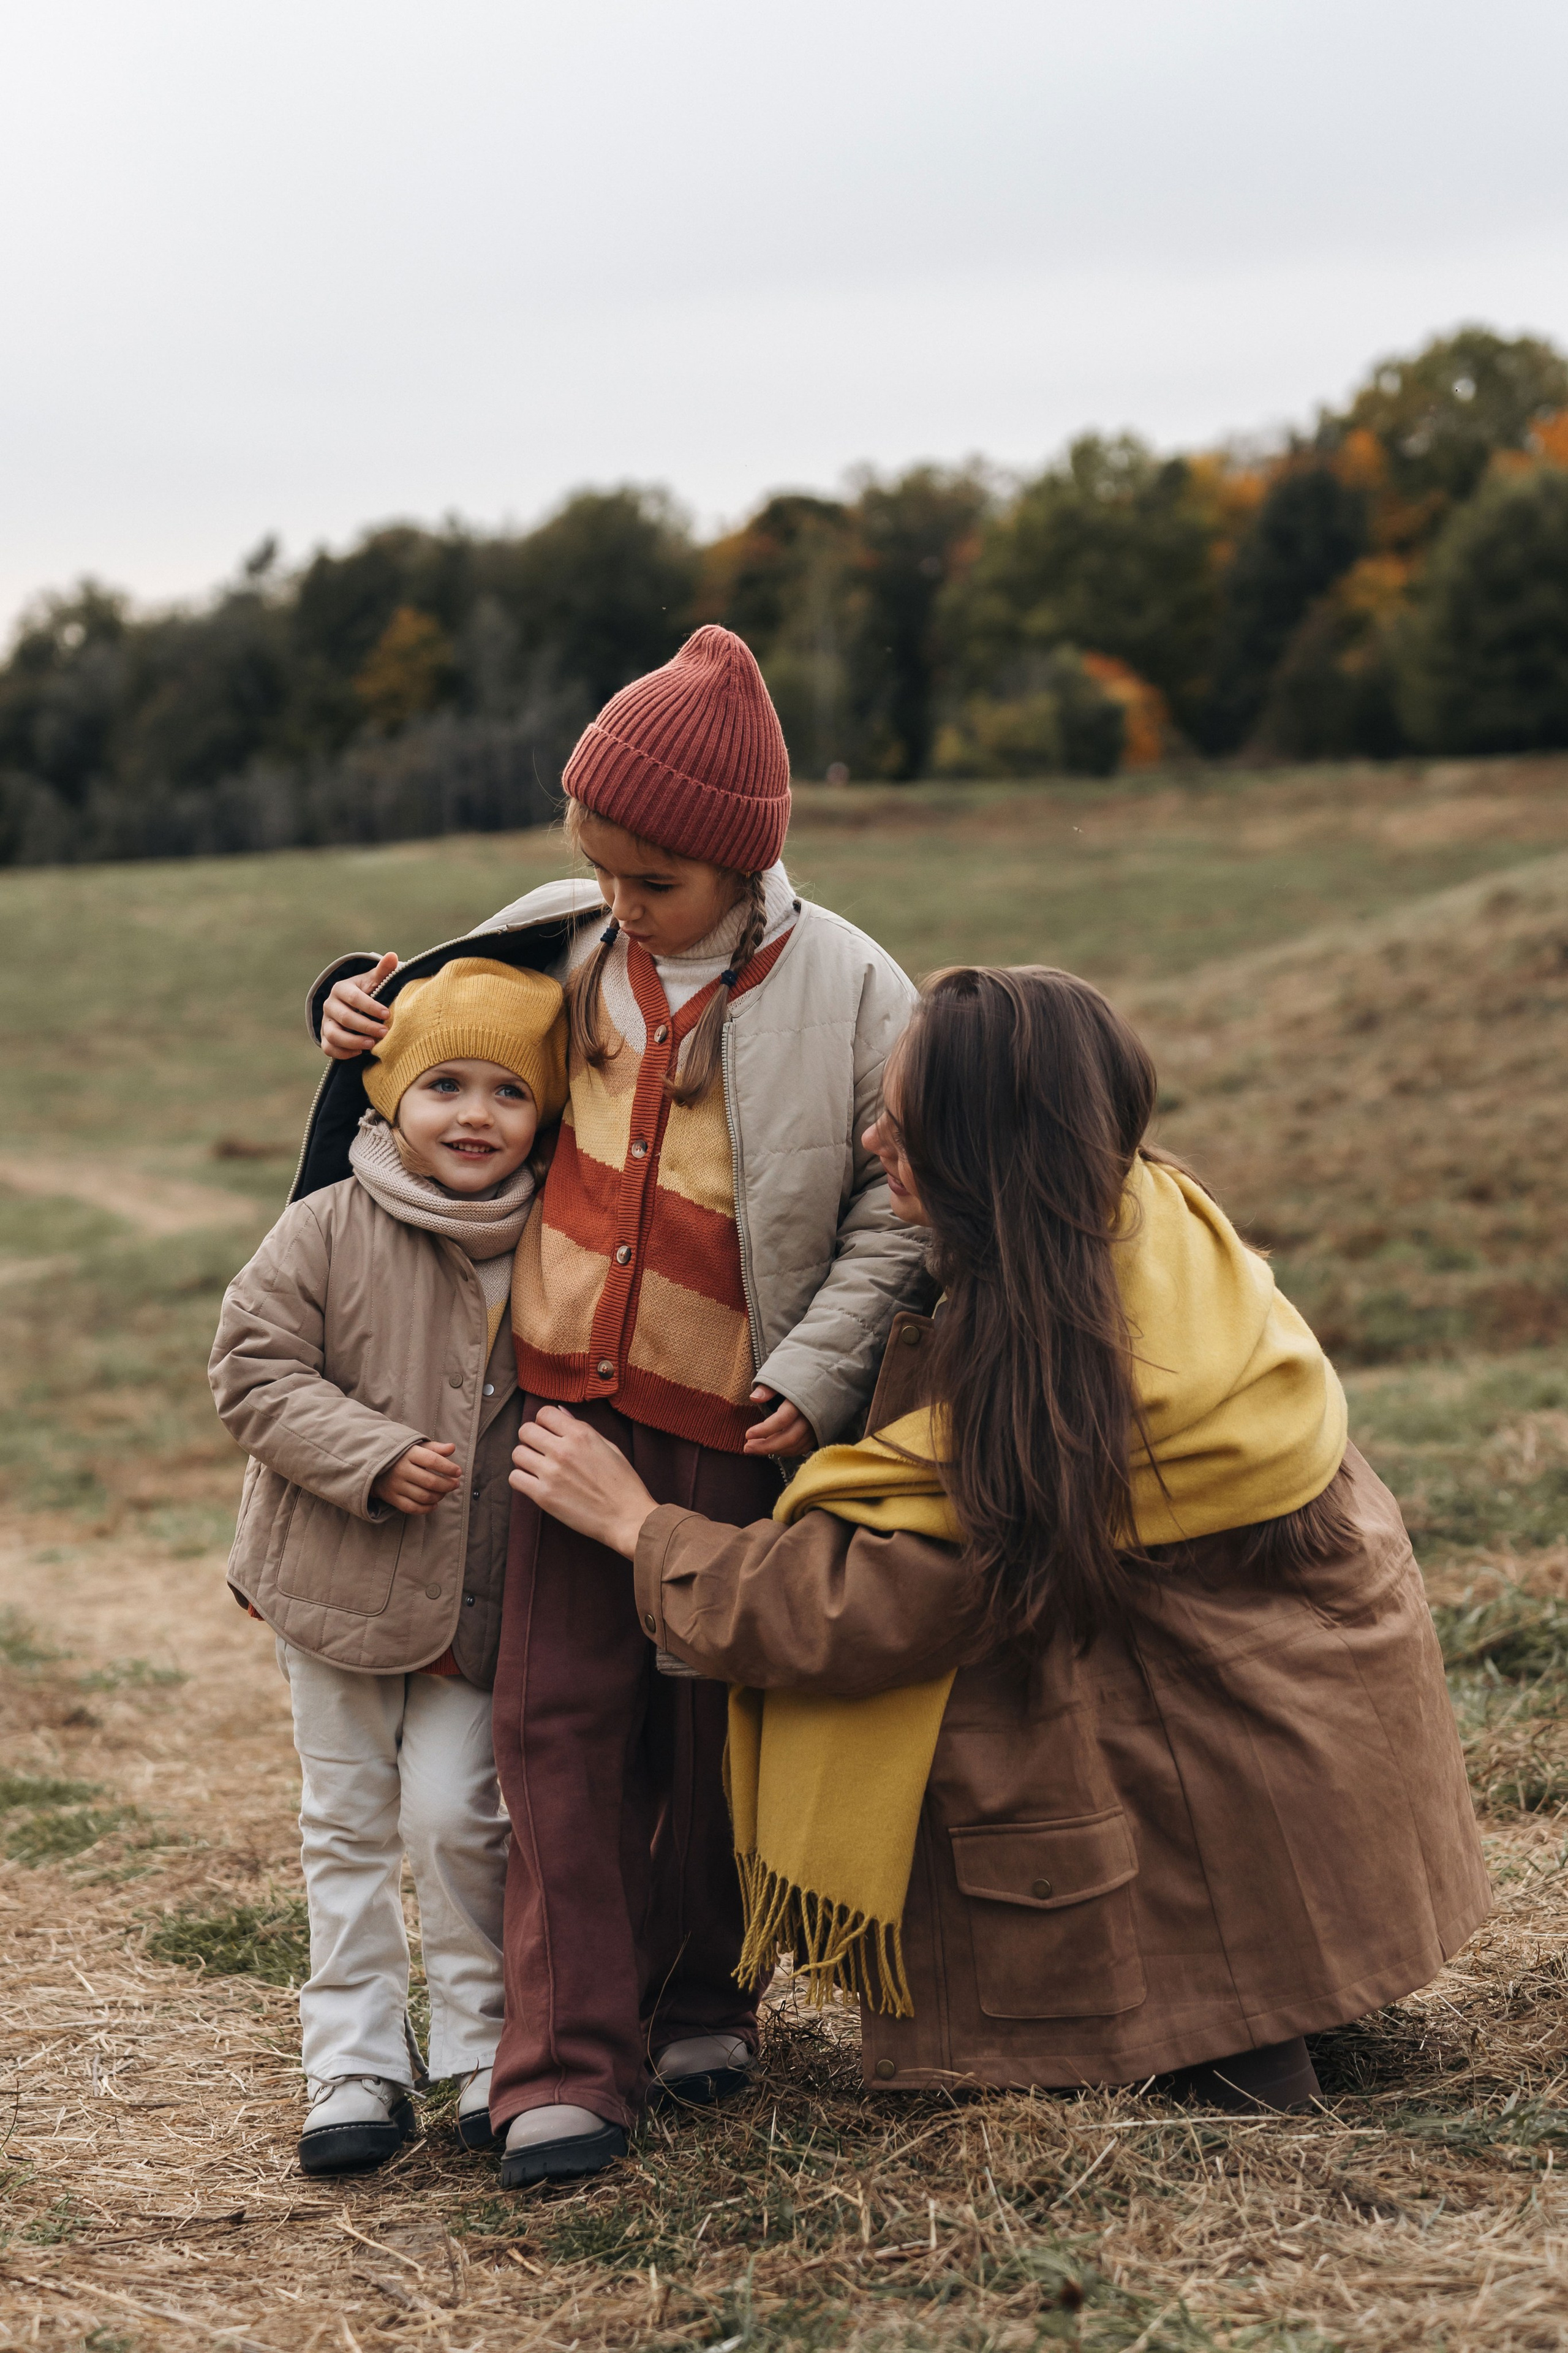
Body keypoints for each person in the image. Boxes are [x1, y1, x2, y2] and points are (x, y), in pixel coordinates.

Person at [510, 965, 1490, 2110]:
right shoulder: (1157, 1227)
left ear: (985, 1158)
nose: (872, 1139)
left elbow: (863, 1605)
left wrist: (641, 1527)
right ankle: (1283, 1983)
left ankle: (1222, 2030)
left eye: (906, 1126)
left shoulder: (1055, 1385)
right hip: (1329, 1758)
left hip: (1231, 1758)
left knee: (1016, 1699)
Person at [312, 625, 931, 2183]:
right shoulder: (559, 933)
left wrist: (819, 1368)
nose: (619, 899)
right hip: (554, 1415)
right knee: (552, 1729)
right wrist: (345, 1005)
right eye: (597, 865)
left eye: (652, 880)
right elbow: (419, 1032)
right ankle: (561, 2063)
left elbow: (897, 1211)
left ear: (743, 861)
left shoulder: (856, 987)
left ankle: (698, 1997)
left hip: (735, 1420)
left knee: (706, 1727)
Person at [209, 958, 568, 2172]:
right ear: (388, 1096)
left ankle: (480, 2048)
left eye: (509, 1091)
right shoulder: (325, 1224)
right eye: (444, 1084)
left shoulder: (558, 1244)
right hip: (332, 1582)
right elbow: (251, 1368)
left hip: (483, 1596)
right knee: (348, 1824)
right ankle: (354, 2062)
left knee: (462, 1815)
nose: (475, 1114)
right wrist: (367, 1453)